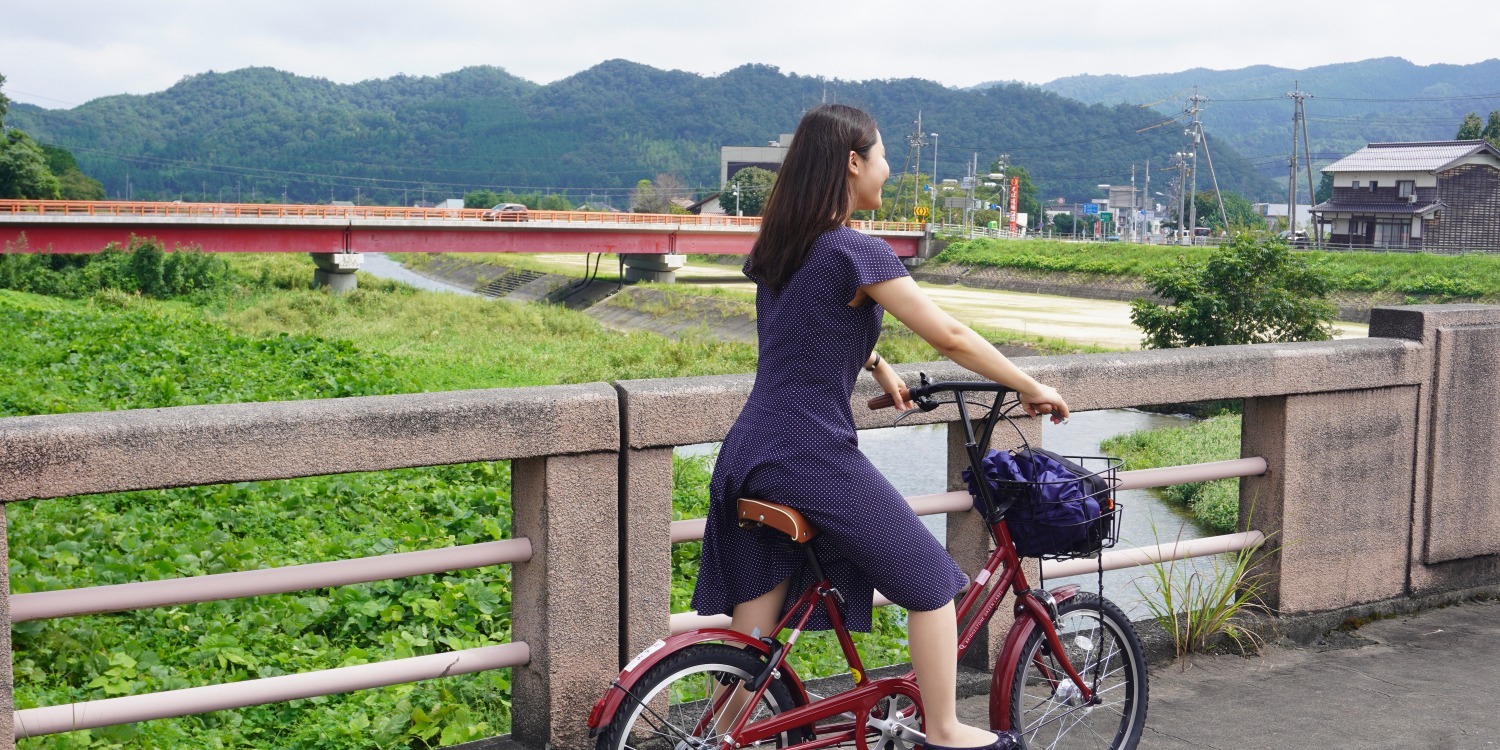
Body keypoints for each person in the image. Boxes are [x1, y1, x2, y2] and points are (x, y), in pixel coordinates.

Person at [690, 103, 1070, 750]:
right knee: (931, 583)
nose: (890, 170)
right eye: (885, 156)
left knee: (752, 644)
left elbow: (801, 332)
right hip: (808, 452)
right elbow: (949, 334)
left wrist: (873, 357)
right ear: (853, 163)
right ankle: (946, 731)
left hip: (751, 449)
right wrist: (1030, 386)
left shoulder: (786, 247)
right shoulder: (856, 251)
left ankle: (713, 740)